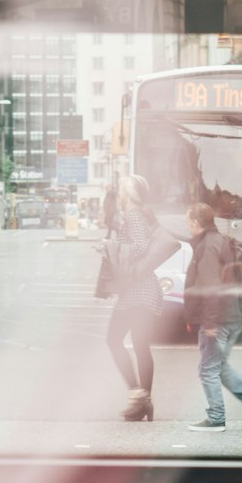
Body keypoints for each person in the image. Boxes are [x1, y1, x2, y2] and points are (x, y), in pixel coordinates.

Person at [184, 202, 242, 432]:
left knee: (208, 369)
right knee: (218, 365)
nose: (187, 227)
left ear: (196, 223)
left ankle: (216, 418)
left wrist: (209, 322)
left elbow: (211, 286)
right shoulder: (222, 241)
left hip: (218, 319)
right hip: (235, 314)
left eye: (188, 222)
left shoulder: (207, 246)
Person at [104, 174, 163, 422]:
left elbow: (139, 247)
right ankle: (143, 402)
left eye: (122, 190)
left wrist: (112, 248)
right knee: (139, 346)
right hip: (139, 291)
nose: (119, 194)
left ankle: (139, 397)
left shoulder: (134, 215)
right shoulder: (139, 215)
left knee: (114, 340)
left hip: (139, 292)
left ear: (130, 194)